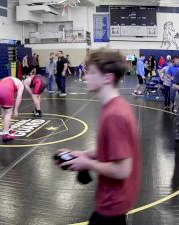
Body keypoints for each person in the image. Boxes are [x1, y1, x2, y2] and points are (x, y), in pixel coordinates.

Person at [55, 48, 141, 225]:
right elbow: (111, 149)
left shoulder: (114, 115)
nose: (85, 77)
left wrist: (87, 164)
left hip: (112, 203)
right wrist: (84, 154)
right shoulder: (115, 106)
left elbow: (123, 169)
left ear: (107, 78)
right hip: (115, 199)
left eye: (91, 72)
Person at [0, 76, 24, 141]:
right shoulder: (21, 84)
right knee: (8, 113)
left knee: (3, 111)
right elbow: (19, 96)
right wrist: (16, 110)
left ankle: (8, 129)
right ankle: (5, 134)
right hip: (6, 90)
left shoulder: (11, 78)